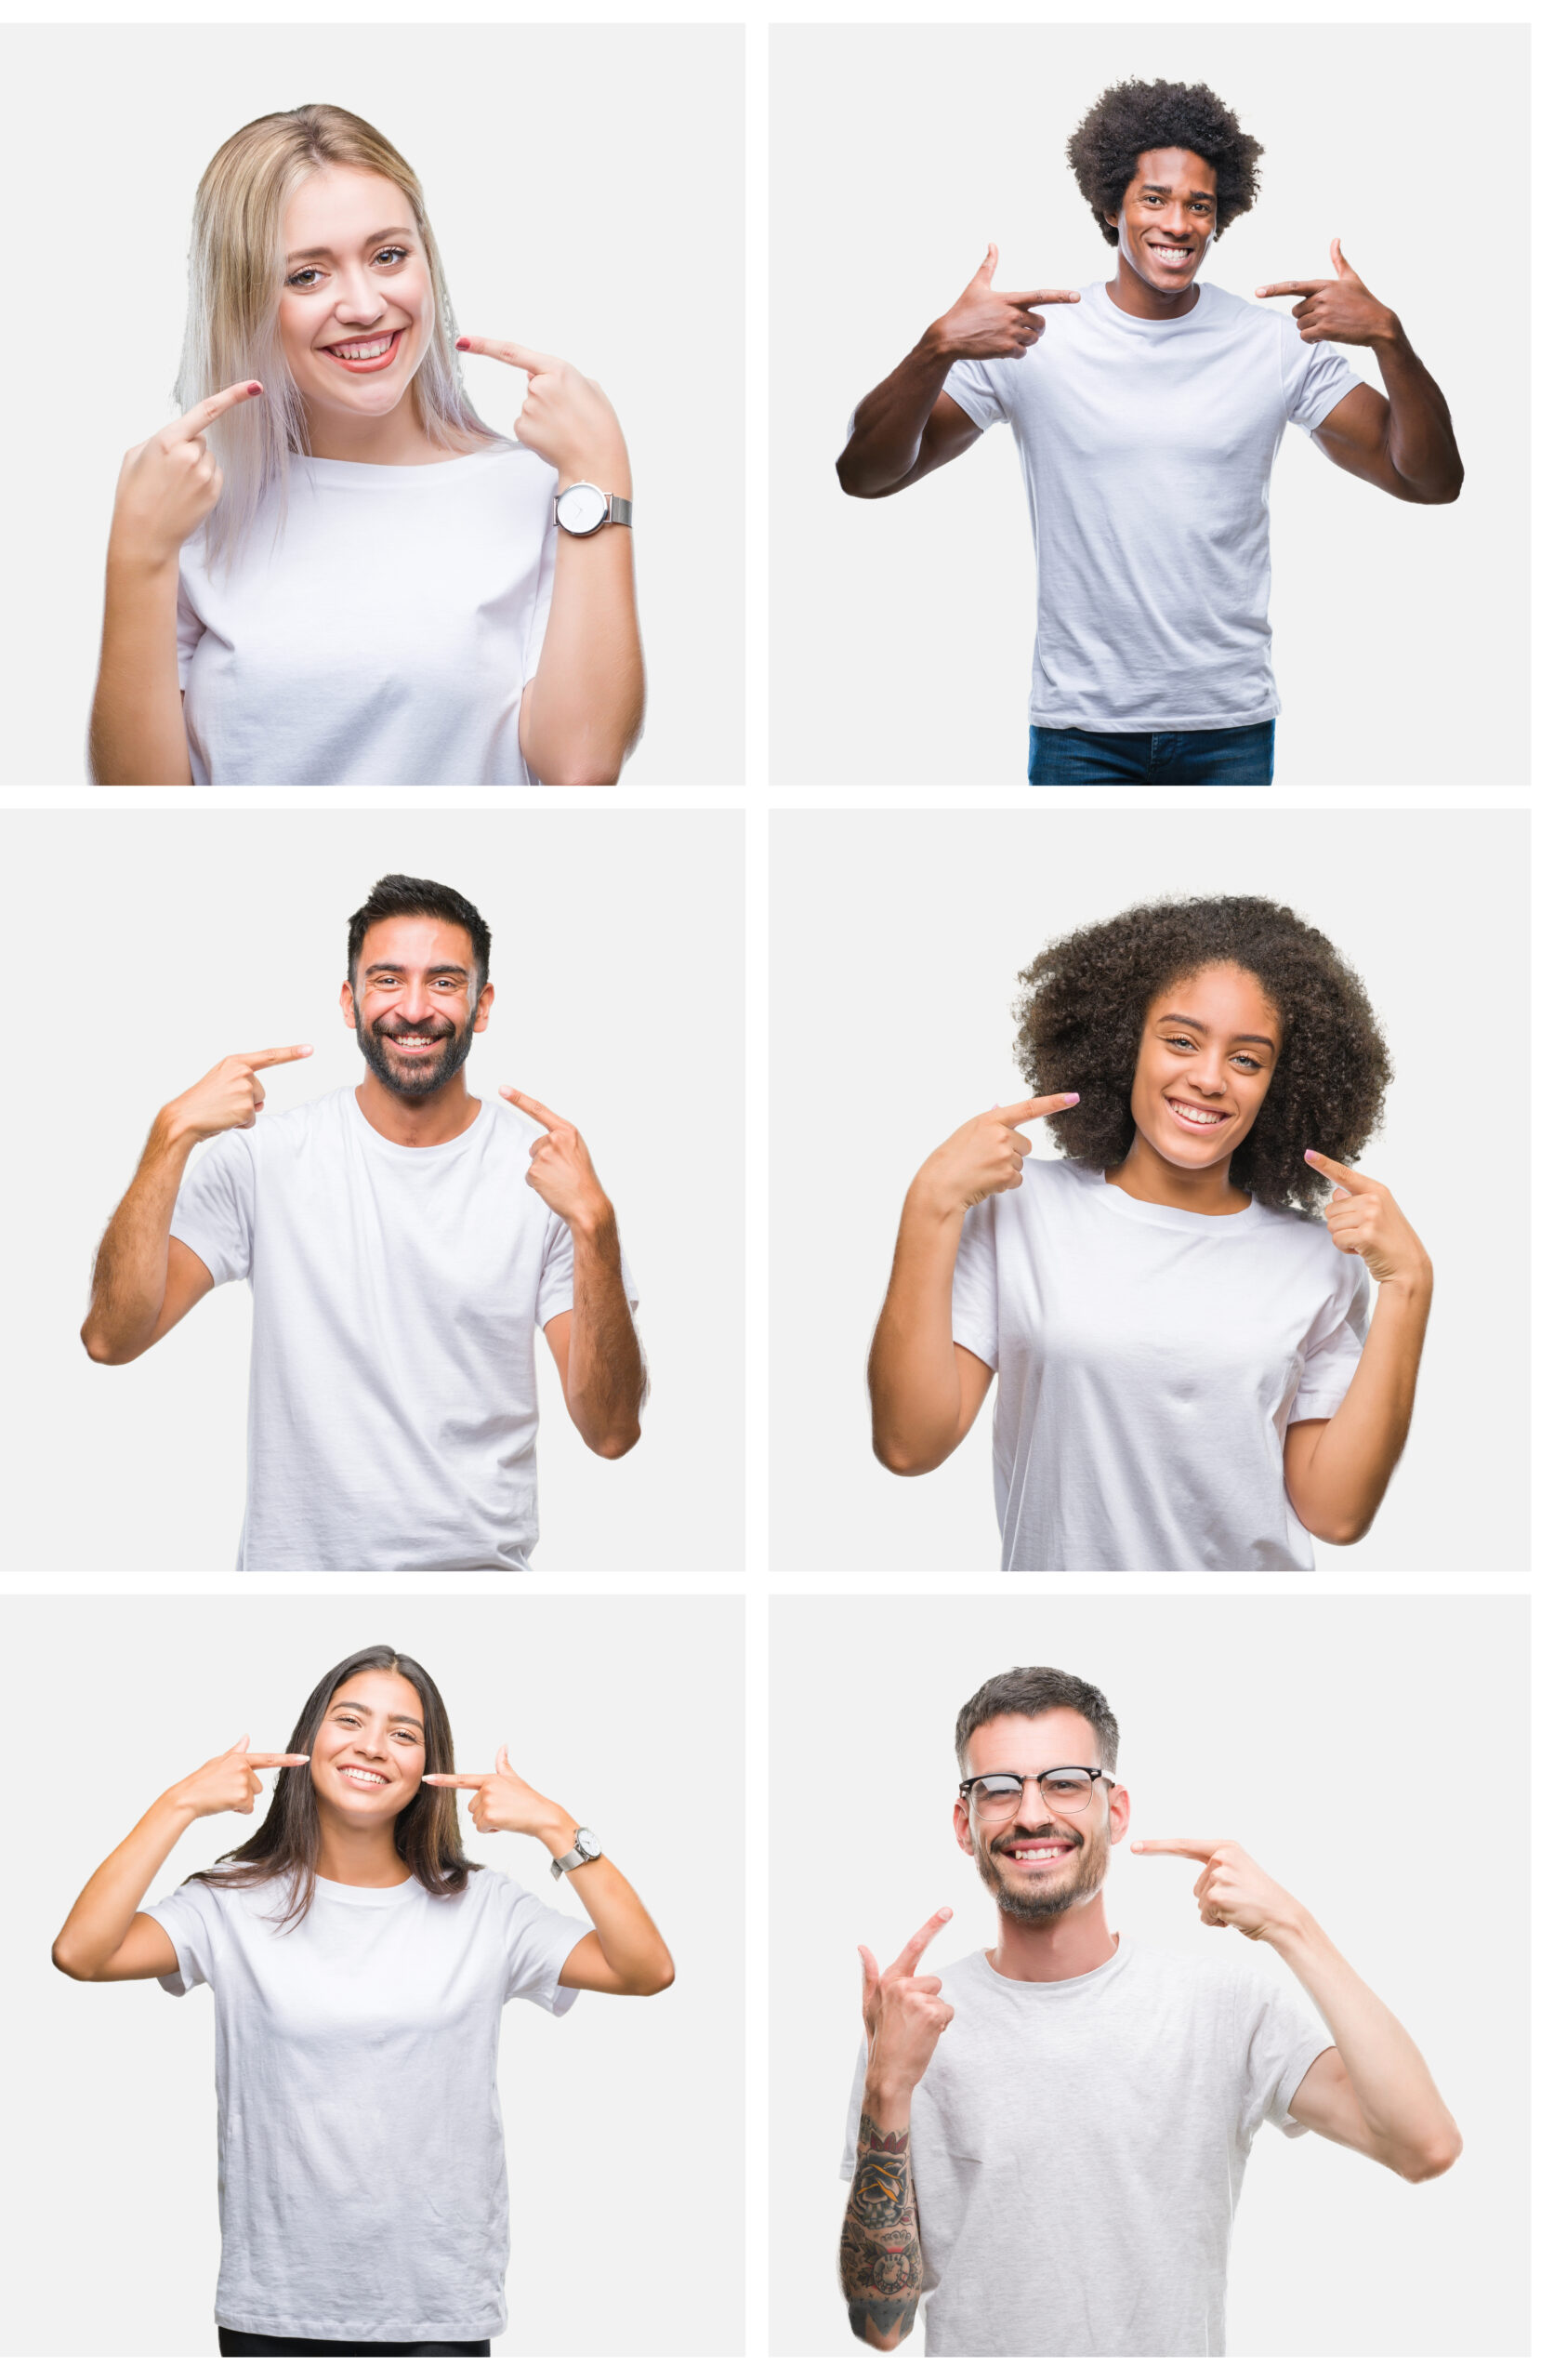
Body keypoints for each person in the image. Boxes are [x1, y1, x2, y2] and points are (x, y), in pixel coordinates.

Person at [835, 77, 1462, 787]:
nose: (1179, 223)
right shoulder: (1033, 342)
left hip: (1228, 725)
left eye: (1200, 205)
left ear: (1219, 216)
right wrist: (936, 347)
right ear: (1111, 206)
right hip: (1082, 730)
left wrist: (1390, 339)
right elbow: (866, 474)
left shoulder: (1274, 345)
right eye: (1154, 198)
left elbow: (1431, 481)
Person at [54, 1643, 673, 2353]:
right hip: (277, 2305)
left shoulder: (487, 1908)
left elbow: (644, 1968)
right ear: (309, 1740)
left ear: (428, 1769)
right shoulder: (230, 1903)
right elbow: (83, 1954)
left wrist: (556, 1827)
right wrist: (180, 1803)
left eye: (403, 1734)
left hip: (437, 2304)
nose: (374, 1747)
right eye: (350, 1720)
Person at [839, 1665, 1459, 2355]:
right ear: (965, 1822)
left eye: (1066, 1782)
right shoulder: (912, 2025)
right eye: (999, 1789)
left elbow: (1423, 2146)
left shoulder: (1222, 2005)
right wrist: (887, 2086)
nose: (1033, 1813)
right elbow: (879, 2324)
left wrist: (1293, 1926)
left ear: (1117, 1809)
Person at [79, 873, 643, 1569]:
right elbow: (112, 1337)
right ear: (349, 1001)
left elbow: (610, 1431)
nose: (413, 1009)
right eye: (386, 980)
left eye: (443, 982)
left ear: (481, 1004)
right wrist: (171, 1136)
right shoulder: (266, 1159)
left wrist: (596, 1229)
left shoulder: (545, 1183)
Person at [867, 894, 1428, 1569]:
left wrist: (1409, 1287)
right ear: (1125, 1042)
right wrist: (930, 1203)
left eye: (1247, 1060)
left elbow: (1335, 1515)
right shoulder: (1021, 1209)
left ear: (1280, 1085)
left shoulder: (1318, 1260)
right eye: (1181, 1041)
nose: (1210, 1078)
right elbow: (909, 1446)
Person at [89, 104, 642, 787]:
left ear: (427, 263)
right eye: (307, 275)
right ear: (244, 299)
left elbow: (580, 768)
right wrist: (137, 553)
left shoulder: (541, 493)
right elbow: (139, 808)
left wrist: (600, 473)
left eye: (388, 256)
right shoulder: (185, 508)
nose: (362, 304)